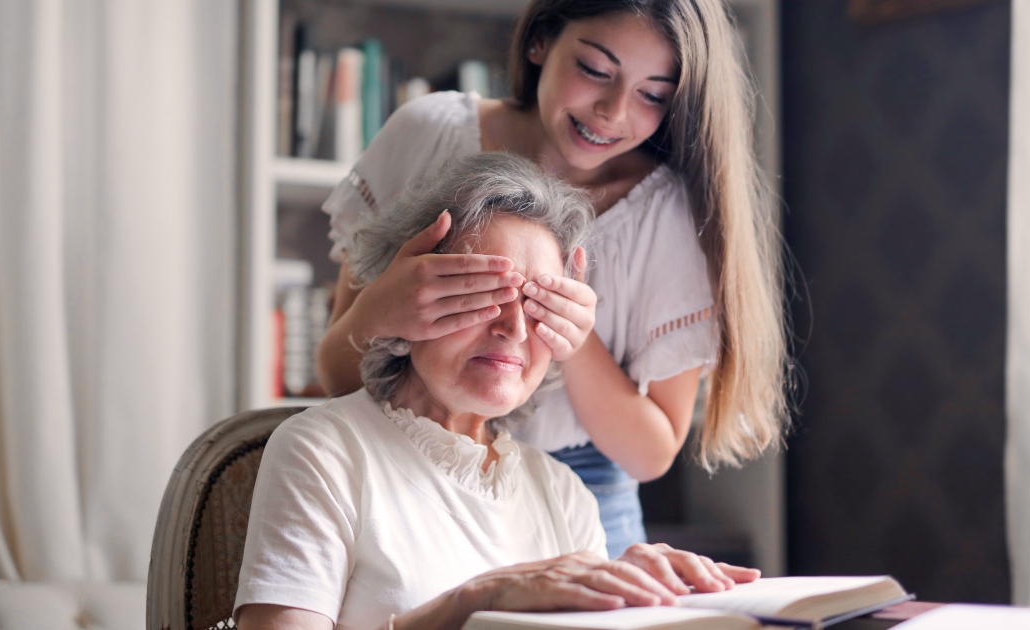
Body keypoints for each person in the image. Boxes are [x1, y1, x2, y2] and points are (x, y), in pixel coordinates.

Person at [316, 0, 788, 558]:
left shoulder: (668, 217)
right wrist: (380, 311)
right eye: (594, 69)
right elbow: (337, 379)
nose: (612, 112)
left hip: (585, 500)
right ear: (540, 41)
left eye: (652, 95)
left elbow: (651, 453)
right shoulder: (430, 134)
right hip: (411, 474)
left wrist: (573, 338)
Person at [234, 153, 759, 630]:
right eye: (482, 294)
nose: (515, 327)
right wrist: (470, 604)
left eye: (539, 305)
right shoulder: (323, 452)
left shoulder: (563, 494)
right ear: (412, 296)